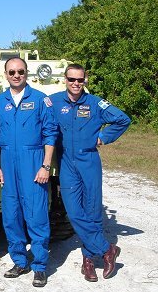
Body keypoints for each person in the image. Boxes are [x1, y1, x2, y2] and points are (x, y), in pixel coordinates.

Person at [49, 63, 131, 282]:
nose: (76, 84)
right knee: (74, 211)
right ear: (65, 80)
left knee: (92, 211)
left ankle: (88, 261)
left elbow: (123, 119)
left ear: (85, 80)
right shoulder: (53, 101)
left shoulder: (95, 103)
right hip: (66, 160)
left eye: (80, 80)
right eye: (71, 79)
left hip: (89, 161)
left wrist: (104, 137)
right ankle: (107, 249)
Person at [0, 57, 57, 288]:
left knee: (36, 215)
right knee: (11, 215)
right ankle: (19, 260)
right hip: (7, 163)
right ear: (5, 75)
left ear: (26, 73)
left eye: (20, 71)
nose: (16, 75)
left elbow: (50, 134)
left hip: (33, 161)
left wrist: (45, 166)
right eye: (12, 72)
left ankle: (39, 265)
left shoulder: (40, 100)